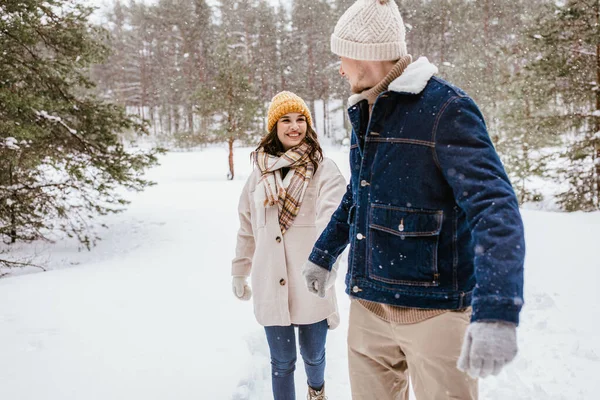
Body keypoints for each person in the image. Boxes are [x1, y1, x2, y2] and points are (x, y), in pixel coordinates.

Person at [301, 1, 525, 399]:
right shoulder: (367, 107)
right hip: (369, 307)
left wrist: (498, 310)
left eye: (342, 56)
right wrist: (324, 252)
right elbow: (360, 193)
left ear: (367, 55)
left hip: (435, 312)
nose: (339, 67)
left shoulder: (446, 110)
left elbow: (495, 208)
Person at [232, 91, 346, 400]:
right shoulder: (258, 175)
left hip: (309, 280)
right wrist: (239, 271)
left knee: (313, 355)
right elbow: (247, 227)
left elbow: (333, 221)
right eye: (286, 120)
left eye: (300, 120)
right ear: (274, 126)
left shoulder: (324, 170)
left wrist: (325, 265)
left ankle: (316, 390)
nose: (294, 127)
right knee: (281, 363)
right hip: (270, 282)